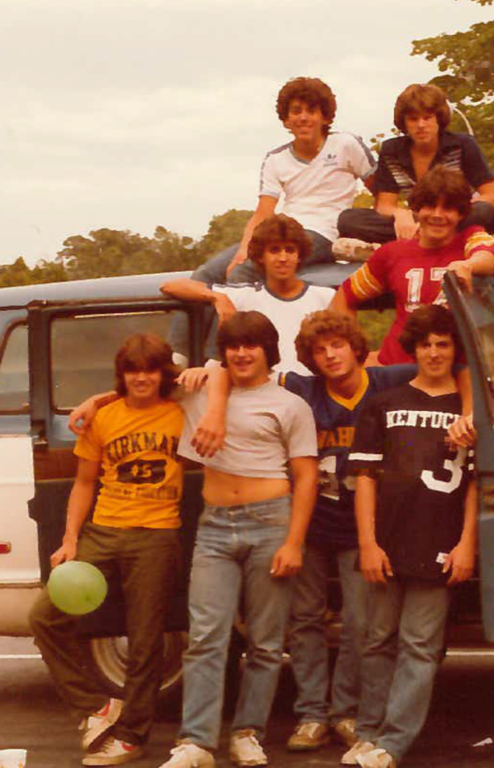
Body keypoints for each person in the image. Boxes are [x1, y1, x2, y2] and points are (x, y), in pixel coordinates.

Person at [157, 311, 318, 768]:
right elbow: (139, 386)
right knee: (206, 637)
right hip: (215, 526)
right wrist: (93, 403)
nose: (241, 353)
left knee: (266, 642)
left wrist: (294, 542)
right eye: (232, 346)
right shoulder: (200, 390)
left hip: (271, 522)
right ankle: (196, 743)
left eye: (251, 345)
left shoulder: (290, 404)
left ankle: (248, 732)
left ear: (269, 350)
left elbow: (305, 477)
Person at [29, 334, 185, 766]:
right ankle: (96, 708)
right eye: (132, 371)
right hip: (104, 530)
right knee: (43, 617)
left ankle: (132, 736)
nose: (141, 378)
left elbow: (215, 382)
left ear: (162, 373)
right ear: (123, 375)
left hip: (155, 535)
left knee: (146, 639)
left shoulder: (181, 412)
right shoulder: (105, 418)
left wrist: (96, 396)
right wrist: (70, 540)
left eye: (150, 370)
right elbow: (83, 483)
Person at [341, 305, 477, 768]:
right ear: (413, 348)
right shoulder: (384, 403)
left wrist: (467, 543)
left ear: (455, 349)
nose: (435, 352)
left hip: (440, 541)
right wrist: (367, 543)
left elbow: (481, 483)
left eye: (443, 344)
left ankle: (393, 743)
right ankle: (368, 732)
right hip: (389, 539)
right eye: (426, 344)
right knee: (377, 639)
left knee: (419, 644)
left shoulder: (468, 409)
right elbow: (364, 478)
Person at [277, 311, 417, 752]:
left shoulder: (387, 381)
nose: (330, 355)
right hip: (311, 521)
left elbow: (456, 363)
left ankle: (346, 711)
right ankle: (312, 713)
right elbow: (229, 371)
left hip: (361, 526)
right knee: (304, 620)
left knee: (360, 622)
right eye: (319, 350)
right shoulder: (302, 388)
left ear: (356, 347)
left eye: (337, 345)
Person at [191, 76, 375, 286]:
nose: (303, 117)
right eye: (296, 111)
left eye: (311, 111)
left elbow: (382, 191)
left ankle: (245, 319)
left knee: (243, 273)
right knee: (204, 275)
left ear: (324, 117)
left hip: (323, 234)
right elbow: (263, 213)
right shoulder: (275, 159)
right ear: (286, 120)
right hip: (283, 230)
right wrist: (244, 250)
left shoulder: (345, 144)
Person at [331, 166, 494, 364]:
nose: (437, 215)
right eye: (430, 206)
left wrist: (468, 265)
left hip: (455, 371)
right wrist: (356, 355)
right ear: (417, 209)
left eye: (447, 208)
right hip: (397, 370)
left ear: (461, 214)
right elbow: (344, 296)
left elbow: (492, 256)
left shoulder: (470, 238)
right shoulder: (391, 252)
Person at [335, 83, 494, 256]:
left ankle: (410, 244)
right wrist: (400, 214)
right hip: (417, 218)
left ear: (438, 119)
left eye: (427, 118)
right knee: (349, 219)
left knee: (484, 213)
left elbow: (491, 195)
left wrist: (456, 211)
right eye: (413, 119)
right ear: (404, 122)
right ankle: (420, 241)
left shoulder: (463, 144)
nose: (421, 125)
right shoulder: (391, 150)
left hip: (455, 217)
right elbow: (384, 205)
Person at [161, 214, 335, 372]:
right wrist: (217, 297)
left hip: (311, 399)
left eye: (290, 250)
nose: (283, 258)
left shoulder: (325, 297)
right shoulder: (243, 294)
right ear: (261, 257)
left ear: (299, 256)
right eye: (274, 250)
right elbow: (171, 286)